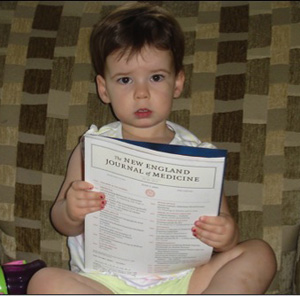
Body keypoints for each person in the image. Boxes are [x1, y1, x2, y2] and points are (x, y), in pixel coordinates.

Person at [27, 2, 277, 294]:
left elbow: (223, 222)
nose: (141, 92)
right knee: (43, 282)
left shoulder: (197, 153)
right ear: (104, 88)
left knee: (259, 253)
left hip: (183, 281)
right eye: (125, 79)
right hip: (105, 283)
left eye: (156, 77)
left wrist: (225, 235)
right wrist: (71, 211)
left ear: (177, 83)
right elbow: (62, 222)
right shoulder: (92, 148)